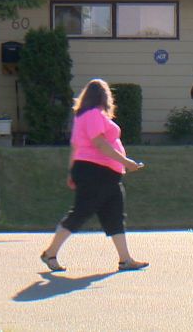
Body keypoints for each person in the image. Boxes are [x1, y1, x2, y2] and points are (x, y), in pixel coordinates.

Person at [40, 79, 148, 272]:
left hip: (104, 174)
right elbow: (100, 144)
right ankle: (50, 253)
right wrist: (127, 162)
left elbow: (76, 148)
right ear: (104, 97)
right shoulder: (93, 115)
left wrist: (71, 172)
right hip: (95, 171)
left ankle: (125, 259)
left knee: (114, 215)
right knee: (81, 212)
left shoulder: (83, 116)